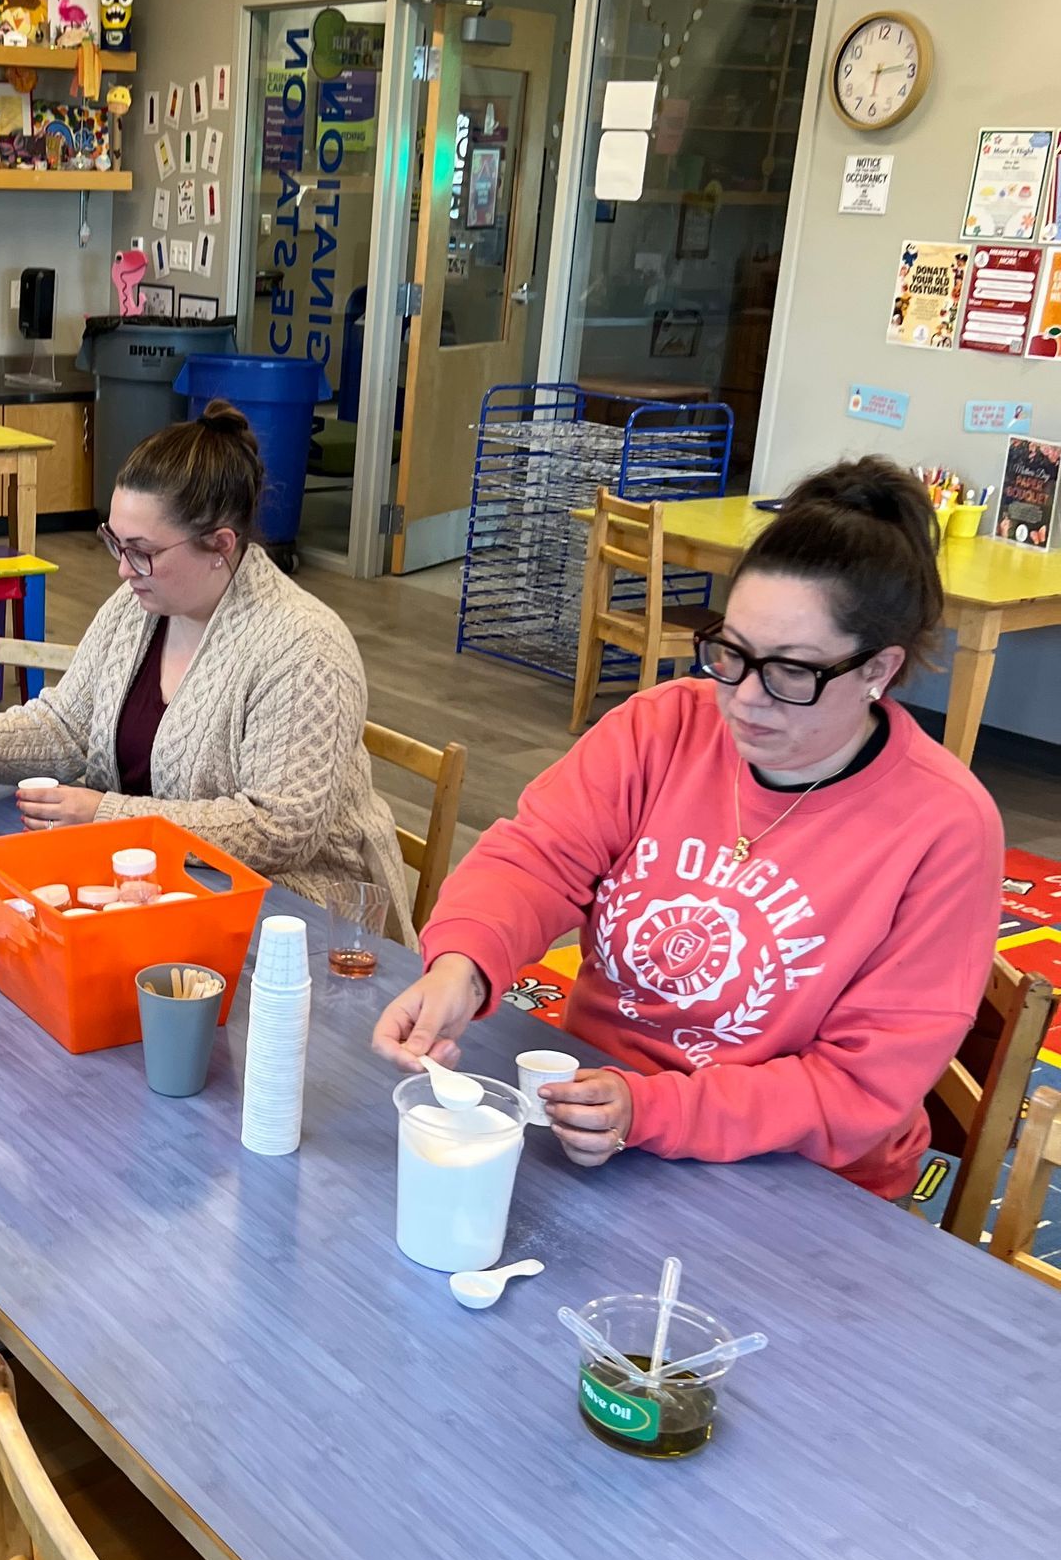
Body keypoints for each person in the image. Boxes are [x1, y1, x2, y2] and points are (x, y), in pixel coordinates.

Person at [373, 456, 1002, 1196]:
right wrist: (464, 967)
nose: (745, 698)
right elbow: (535, 860)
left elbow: (859, 1088)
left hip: (796, 1181)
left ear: (878, 669)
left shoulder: (944, 826)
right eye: (731, 653)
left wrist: (653, 1109)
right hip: (593, 1118)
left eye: (792, 672)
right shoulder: (663, 726)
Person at [0, 402, 412, 935]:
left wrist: (107, 817)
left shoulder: (303, 650)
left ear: (220, 546)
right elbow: (67, 727)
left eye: (141, 551)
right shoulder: (139, 606)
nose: (122, 569)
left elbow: (278, 831)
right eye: (115, 542)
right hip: (163, 887)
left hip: (308, 918)